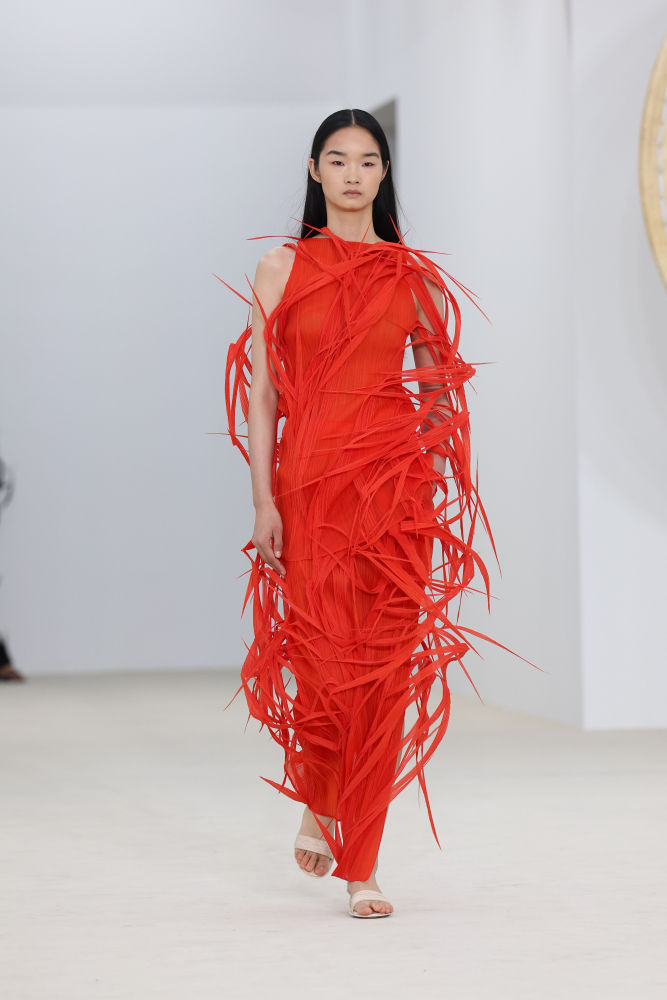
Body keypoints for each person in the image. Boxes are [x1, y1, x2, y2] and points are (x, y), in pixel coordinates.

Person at [218, 108, 535, 918]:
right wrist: (262, 497)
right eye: (338, 158)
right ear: (315, 171)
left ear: (383, 174)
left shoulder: (409, 276)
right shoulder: (279, 268)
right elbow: (261, 394)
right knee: (325, 657)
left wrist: (425, 468)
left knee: (386, 666)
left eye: (368, 159)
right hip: (312, 482)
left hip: (393, 490)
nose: (354, 173)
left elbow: (437, 386)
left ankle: (362, 862)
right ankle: (322, 797)